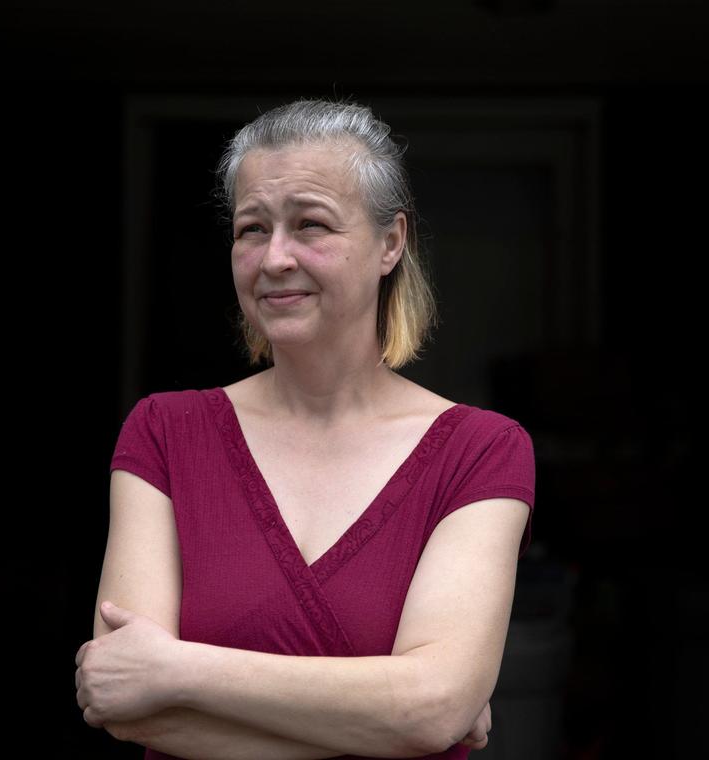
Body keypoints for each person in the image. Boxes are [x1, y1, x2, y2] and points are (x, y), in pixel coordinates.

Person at [75, 98, 535, 759]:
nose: (275, 258)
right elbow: (127, 707)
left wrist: (177, 671)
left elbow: (431, 708)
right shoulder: (164, 433)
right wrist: (398, 719)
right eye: (252, 229)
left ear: (390, 243)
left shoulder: (479, 450)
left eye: (311, 225)